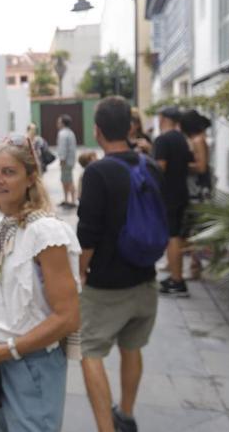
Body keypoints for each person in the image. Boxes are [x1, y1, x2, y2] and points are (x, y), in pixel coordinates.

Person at [0, 135, 81, 432]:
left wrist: (4, 352)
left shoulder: (46, 233)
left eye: (8, 172)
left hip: (31, 364)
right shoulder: (1, 228)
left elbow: (68, 317)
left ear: (30, 178)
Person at [77, 96, 163, 432]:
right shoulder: (149, 164)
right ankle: (125, 415)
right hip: (145, 278)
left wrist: (81, 270)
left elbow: (88, 234)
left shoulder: (98, 172)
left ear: (97, 130)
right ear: (129, 127)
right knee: (132, 347)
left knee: (89, 350)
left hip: (107, 284)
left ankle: (106, 428)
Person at [153, 106, 194, 296]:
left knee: (172, 237)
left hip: (168, 195)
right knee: (175, 234)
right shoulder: (181, 139)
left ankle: (177, 280)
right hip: (181, 192)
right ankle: (175, 276)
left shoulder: (162, 139)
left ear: (162, 119)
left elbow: (160, 167)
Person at [180, 109, 212, 280]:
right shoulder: (196, 139)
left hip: (198, 189)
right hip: (196, 188)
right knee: (194, 228)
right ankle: (194, 265)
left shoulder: (198, 140)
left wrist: (181, 165)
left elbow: (201, 167)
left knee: (195, 228)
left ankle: (195, 266)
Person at [56, 115, 78, 207]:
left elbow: (63, 147)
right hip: (70, 160)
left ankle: (72, 201)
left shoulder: (62, 134)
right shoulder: (71, 133)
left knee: (68, 180)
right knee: (65, 180)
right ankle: (67, 199)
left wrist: (62, 159)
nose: (57, 124)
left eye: (59, 122)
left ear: (63, 123)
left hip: (65, 160)